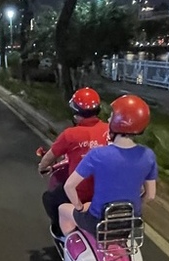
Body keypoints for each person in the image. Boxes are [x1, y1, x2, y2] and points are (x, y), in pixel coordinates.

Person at [58, 95, 157, 238]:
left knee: (63, 209)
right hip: (130, 223)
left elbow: (69, 186)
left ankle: (71, 245)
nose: (109, 120)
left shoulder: (98, 154)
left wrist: (79, 207)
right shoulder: (148, 155)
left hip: (99, 222)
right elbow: (150, 195)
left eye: (112, 116)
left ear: (120, 122)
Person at [38, 87, 109, 238]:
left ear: (76, 113)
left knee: (49, 198)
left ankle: (62, 234)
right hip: (106, 194)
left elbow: (49, 157)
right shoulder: (109, 131)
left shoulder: (70, 135)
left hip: (81, 195)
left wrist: (42, 167)